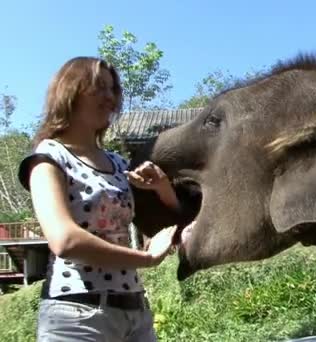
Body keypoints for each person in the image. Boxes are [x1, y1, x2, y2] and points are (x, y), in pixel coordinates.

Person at [18, 56, 180, 342]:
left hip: (135, 313)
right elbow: (65, 240)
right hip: (76, 316)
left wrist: (162, 187)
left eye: (113, 89)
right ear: (70, 92)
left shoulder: (118, 164)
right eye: (99, 88)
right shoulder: (48, 158)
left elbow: (170, 225)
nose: (110, 98)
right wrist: (147, 258)